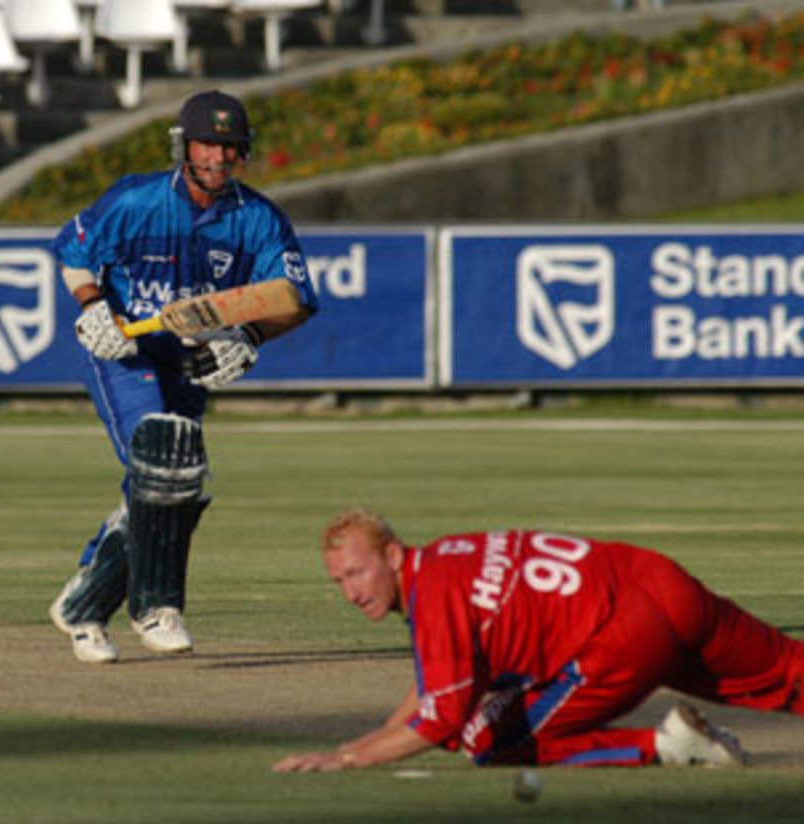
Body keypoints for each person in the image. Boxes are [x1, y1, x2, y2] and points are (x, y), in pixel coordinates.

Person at [48, 90, 319, 664]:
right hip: (124, 348)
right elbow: (73, 251)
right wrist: (93, 306)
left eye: (229, 147)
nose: (218, 158)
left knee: (174, 479)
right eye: (206, 146)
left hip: (191, 358)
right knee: (162, 458)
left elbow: (293, 299)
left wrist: (250, 337)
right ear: (183, 146)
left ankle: (85, 603)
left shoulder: (258, 219)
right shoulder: (137, 200)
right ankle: (156, 607)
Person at [274, 509, 804, 772]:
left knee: (484, 740)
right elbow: (436, 684)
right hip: (657, 579)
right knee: (789, 670)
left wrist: (346, 759)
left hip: (621, 639)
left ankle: (665, 745)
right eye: (339, 581)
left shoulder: (432, 597)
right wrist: (364, 742)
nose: (350, 593)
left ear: (392, 556)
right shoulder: (445, 558)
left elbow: (442, 720)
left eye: (356, 573)